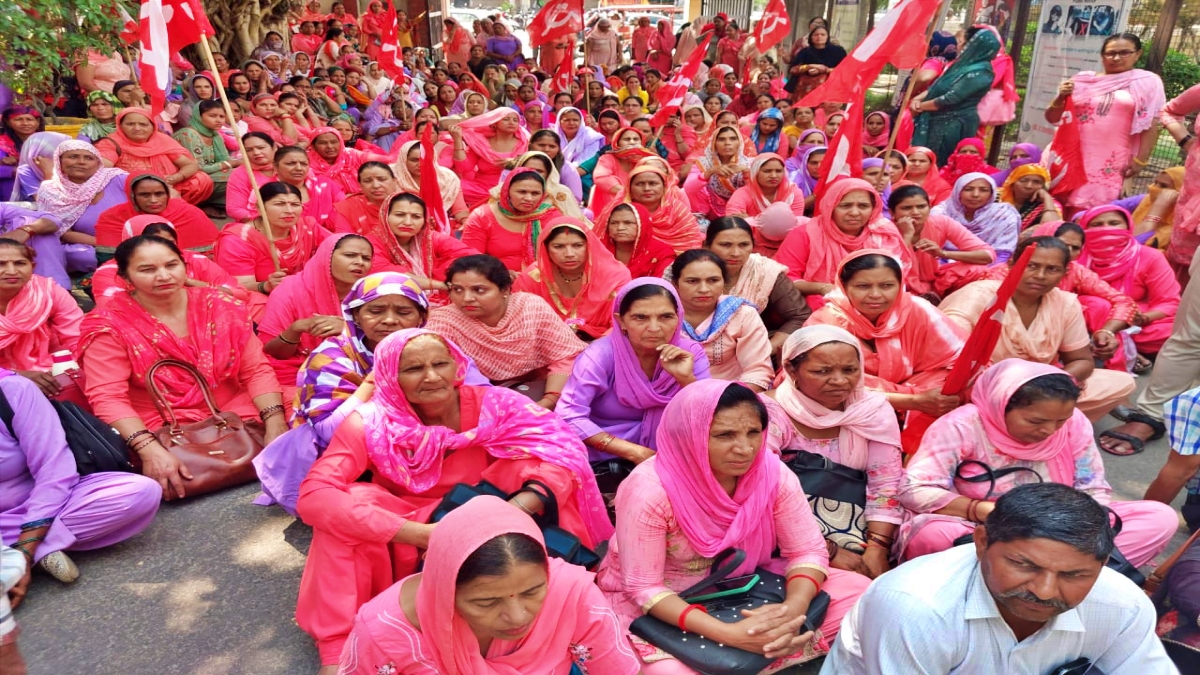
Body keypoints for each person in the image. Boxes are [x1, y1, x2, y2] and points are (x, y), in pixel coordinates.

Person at [293, 327, 611, 669]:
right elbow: (314, 494)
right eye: (414, 369)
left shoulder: (498, 405)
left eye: (440, 364)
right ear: (389, 375)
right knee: (351, 504)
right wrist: (421, 534)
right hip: (417, 523)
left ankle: (547, 599)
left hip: (500, 511)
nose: (431, 377)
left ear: (457, 366)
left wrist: (508, 513)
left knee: (531, 462)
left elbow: (562, 453)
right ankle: (337, 645)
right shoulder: (371, 422)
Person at [597, 379, 871, 672]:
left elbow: (808, 551)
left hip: (748, 585)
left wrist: (792, 612)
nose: (745, 448)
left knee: (862, 594)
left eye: (753, 432)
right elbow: (644, 587)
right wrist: (730, 635)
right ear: (687, 435)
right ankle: (763, 654)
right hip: (667, 602)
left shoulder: (770, 472)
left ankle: (760, 652)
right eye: (724, 435)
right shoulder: (649, 490)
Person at [825, 482, 1178, 674]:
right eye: (1024, 565)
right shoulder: (915, 608)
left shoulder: (1122, 605)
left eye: (1075, 574)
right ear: (982, 541)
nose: (1044, 591)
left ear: (1102, 565)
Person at [897, 359, 1177, 565]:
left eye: (1060, 421)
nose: (1050, 431)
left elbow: (1092, 486)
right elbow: (915, 489)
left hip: (1059, 528)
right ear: (1001, 404)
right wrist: (986, 511)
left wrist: (1084, 523)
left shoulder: (1074, 423)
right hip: (985, 527)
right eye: (1035, 421)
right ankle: (1065, 572)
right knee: (931, 535)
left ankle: (1056, 570)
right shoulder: (963, 425)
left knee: (1158, 517)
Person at [78, 235, 287, 501]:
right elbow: (108, 396)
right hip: (161, 421)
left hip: (233, 406)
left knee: (312, 414)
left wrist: (275, 422)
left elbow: (255, 370)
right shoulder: (109, 325)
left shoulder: (219, 305)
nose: (163, 275)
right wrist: (149, 450)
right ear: (126, 277)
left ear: (185, 268)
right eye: (147, 269)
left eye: (171, 265)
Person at [339, 494, 638, 675]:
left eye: (533, 591)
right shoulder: (385, 632)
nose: (518, 616)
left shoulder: (571, 593)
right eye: (486, 602)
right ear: (443, 587)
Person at [941, 237, 1136, 421]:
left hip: (1038, 389)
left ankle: (1032, 420)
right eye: (1031, 266)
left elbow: (1081, 360)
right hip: (979, 387)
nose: (1040, 276)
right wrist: (1011, 387)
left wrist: (1051, 383)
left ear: (1065, 273)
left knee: (1121, 383)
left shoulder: (1065, 303)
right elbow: (946, 357)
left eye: (1052, 269)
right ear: (1011, 265)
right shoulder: (979, 295)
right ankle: (1028, 421)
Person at [0, 368, 161, 588]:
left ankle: (18, 550)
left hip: (49, 503)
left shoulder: (13, 390)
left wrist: (26, 549)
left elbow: (54, 469)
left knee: (139, 492)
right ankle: (38, 549)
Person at [770, 325, 905, 577]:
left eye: (850, 370)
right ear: (791, 369)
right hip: (784, 532)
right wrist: (827, 549)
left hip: (865, 527)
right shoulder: (770, 412)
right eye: (822, 371)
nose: (840, 381)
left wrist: (876, 549)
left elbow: (884, 485)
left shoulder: (872, 410)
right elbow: (763, 489)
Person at [557, 278, 710, 465]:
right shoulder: (599, 356)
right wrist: (633, 452)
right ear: (621, 321)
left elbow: (710, 414)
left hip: (674, 452)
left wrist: (685, 378)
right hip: (605, 457)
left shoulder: (690, 353)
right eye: (640, 317)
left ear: (679, 317)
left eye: (666, 317)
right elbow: (569, 415)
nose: (654, 328)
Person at [807, 251, 966, 416]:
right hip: (855, 404)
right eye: (863, 286)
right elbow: (818, 385)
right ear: (844, 287)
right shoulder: (824, 324)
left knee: (955, 386)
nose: (875, 295)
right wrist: (914, 401)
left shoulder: (917, 310)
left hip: (917, 387)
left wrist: (935, 396)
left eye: (886, 286)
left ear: (900, 285)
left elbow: (965, 358)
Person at [426, 255, 586, 408]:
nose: (466, 298)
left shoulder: (529, 307)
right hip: (478, 399)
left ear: (505, 290)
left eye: (479, 290)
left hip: (542, 387)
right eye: (457, 290)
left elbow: (565, 357)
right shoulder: (443, 322)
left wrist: (548, 401)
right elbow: (442, 374)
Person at [1047, 33, 1166, 213]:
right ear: (1102, 55)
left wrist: (1140, 161)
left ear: (1138, 54)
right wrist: (1061, 96)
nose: (1116, 58)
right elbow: (1052, 118)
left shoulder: (1147, 82)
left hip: (1109, 159)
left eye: (1125, 52)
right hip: (1071, 151)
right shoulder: (1082, 80)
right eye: (1110, 53)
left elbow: (1150, 124)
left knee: (1093, 211)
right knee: (1057, 206)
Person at [258, 234, 374, 402]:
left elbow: (387, 345)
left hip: (358, 373)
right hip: (295, 375)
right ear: (325, 257)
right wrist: (295, 329)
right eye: (350, 255)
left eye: (366, 258)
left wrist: (349, 329)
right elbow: (273, 352)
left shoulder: (371, 294)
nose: (360, 262)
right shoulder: (291, 288)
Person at [1073, 207, 1180, 374]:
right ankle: (1123, 347)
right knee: (1096, 305)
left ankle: (1116, 344)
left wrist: (1143, 318)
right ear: (1085, 230)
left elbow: (1168, 301)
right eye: (1097, 224)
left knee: (1179, 331)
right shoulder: (1075, 255)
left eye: (1114, 223)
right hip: (1087, 319)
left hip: (1136, 322)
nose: (1106, 228)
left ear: (1128, 226)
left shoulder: (1150, 256)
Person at [775, 178, 910, 306]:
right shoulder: (806, 233)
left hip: (875, 299)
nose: (854, 212)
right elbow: (784, 277)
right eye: (845, 206)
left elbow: (896, 275)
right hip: (822, 301)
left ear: (873, 208)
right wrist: (822, 288)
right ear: (831, 207)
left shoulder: (884, 233)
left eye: (863, 206)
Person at [702, 217, 810, 359]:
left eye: (744, 245)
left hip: (749, 351)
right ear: (706, 246)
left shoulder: (765, 271)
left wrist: (766, 350)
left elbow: (800, 316)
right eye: (725, 245)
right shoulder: (686, 271)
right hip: (694, 351)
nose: (736, 253)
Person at [670, 250, 773, 391]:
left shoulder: (741, 314)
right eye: (692, 281)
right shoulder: (662, 315)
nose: (704, 289)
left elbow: (758, 370)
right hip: (671, 393)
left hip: (731, 394)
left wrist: (725, 402)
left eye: (713, 280)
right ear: (675, 283)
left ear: (724, 282)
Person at [514, 217, 630, 340]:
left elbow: (623, 323)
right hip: (547, 345)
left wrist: (595, 351)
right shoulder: (533, 277)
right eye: (558, 247)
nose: (569, 254)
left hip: (604, 345)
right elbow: (520, 322)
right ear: (546, 248)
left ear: (589, 245)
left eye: (577, 245)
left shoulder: (615, 276)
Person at [90, 220, 245, 310]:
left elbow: (240, 295)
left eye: (168, 243)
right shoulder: (111, 271)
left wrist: (191, 283)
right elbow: (111, 309)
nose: (164, 276)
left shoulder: (193, 259)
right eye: (148, 269)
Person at [215, 182, 331, 293]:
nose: (289, 211)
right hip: (259, 300)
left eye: (295, 204)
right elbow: (237, 287)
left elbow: (337, 244)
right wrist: (265, 286)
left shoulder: (306, 226)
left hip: (303, 293)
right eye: (279, 204)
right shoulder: (238, 240)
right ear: (260, 208)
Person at [34, 140, 127, 276]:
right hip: (90, 245)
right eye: (73, 157)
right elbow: (64, 232)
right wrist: (107, 245)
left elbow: (153, 190)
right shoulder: (50, 190)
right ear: (59, 161)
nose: (81, 162)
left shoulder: (117, 178)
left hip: (132, 238)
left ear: (98, 163)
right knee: (81, 255)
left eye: (88, 158)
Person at [910, 28, 1000, 164]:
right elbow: (938, 87)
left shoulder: (982, 72)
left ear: (973, 45)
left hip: (954, 125)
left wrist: (920, 107)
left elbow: (949, 99)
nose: (958, 46)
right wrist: (916, 99)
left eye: (962, 43)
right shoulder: (961, 65)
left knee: (942, 162)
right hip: (934, 118)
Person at [0, 241, 82, 389]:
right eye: (1, 264)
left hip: (47, 371)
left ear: (32, 266)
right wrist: (13, 375)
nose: (11, 271)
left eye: (20, 263)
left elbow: (78, 338)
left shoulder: (48, 293)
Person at [890, 184, 995, 298]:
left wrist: (943, 253)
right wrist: (907, 236)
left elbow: (988, 255)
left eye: (921, 206)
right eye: (906, 208)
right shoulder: (884, 230)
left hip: (933, 282)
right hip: (900, 285)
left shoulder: (941, 222)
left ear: (929, 207)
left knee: (978, 270)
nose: (915, 212)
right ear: (892, 213)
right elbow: (886, 268)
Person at [94, 109, 214, 206]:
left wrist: (174, 178)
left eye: (143, 124)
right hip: (130, 189)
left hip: (168, 183)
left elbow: (190, 165)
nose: (137, 128)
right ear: (120, 126)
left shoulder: (162, 140)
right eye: (130, 124)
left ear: (152, 126)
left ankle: (176, 208)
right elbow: (102, 165)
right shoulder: (112, 142)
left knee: (202, 179)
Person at [461, 169, 563, 271]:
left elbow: (564, 253)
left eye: (535, 193)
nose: (529, 198)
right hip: (494, 279)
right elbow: (471, 259)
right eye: (522, 192)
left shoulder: (551, 216)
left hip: (542, 280)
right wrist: (502, 274)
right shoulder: (482, 216)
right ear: (507, 191)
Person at [94, 174, 220, 255]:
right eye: (145, 195)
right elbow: (109, 259)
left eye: (159, 194)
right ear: (132, 196)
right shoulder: (113, 217)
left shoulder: (189, 214)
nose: (154, 200)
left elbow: (210, 256)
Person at [932, 172, 1020, 264]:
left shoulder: (1003, 215)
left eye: (983, 190)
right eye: (968, 189)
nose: (975, 194)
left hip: (987, 268)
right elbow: (930, 250)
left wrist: (983, 274)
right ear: (957, 191)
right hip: (941, 264)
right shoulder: (941, 212)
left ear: (991, 194)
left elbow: (1003, 254)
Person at [452, 108, 530, 209]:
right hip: (480, 189)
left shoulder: (525, 142)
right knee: (453, 186)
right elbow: (464, 168)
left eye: (515, 120)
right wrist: (457, 140)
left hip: (514, 188)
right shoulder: (480, 143)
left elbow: (535, 166)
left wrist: (516, 163)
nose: (511, 122)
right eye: (506, 119)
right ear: (494, 122)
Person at [390, 140, 469, 226]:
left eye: (425, 160)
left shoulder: (448, 178)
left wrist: (465, 222)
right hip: (398, 225)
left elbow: (460, 210)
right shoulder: (391, 176)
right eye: (414, 160)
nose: (420, 164)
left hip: (437, 226)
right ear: (404, 159)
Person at [599, 202, 676, 279]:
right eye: (614, 223)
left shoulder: (661, 253)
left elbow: (662, 286)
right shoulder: (598, 249)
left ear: (643, 224)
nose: (620, 228)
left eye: (628, 223)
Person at [725, 152, 807, 223]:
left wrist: (750, 220)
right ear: (755, 172)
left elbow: (795, 224)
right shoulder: (743, 193)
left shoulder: (793, 192)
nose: (773, 176)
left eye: (778, 171)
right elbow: (733, 221)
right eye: (767, 171)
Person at [225, 132, 278, 222]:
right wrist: (267, 221)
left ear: (274, 147)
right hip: (258, 224)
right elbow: (234, 209)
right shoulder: (240, 173)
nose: (256, 153)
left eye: (261, 148)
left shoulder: (286, 167)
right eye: (249, 150)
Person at [998, 164, 1062, 234]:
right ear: (1012, 184)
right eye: (1023, 181)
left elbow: (1051, 228)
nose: (1029, 186)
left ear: (1044, 187)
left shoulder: (1050, 204)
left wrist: (1046, 197)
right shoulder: (995, 197)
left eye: (1036, 182)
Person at [786, 26, 846, 100]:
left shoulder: (838, 51)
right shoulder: (805, 51)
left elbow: (844, 70)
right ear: (811, 37)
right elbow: (793, 69)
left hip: (829, 89)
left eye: (822, 34)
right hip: (804, 89)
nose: (819, 37)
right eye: (816, 35)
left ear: (827, 37)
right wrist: (809, 67)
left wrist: (825, 70)